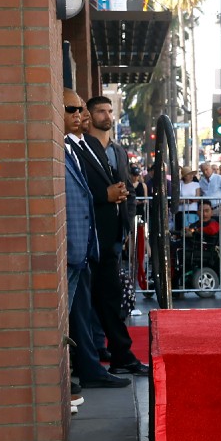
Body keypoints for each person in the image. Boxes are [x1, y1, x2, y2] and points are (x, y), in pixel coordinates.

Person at [70, 93, 148, 378]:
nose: (84, 117)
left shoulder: (107, 148)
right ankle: (109, 354)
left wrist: (125, 224)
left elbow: (124, 186)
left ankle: (114, 353)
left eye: (108, 110)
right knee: (97, 299)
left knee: (107, 297)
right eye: (74, 110)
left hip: (110, 235)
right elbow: (78, 191)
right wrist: (106, 195)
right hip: (88, 238)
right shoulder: (76, 148)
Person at [62, 90, 128, 395]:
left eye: (80, 110)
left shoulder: (85, 146)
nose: (80, 115)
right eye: (72, 109)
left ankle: (91, 366)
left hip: (92, 242)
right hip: (77, 244)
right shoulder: (63, 147)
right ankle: (88, 367)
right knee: (80, 311)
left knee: (85, 309)